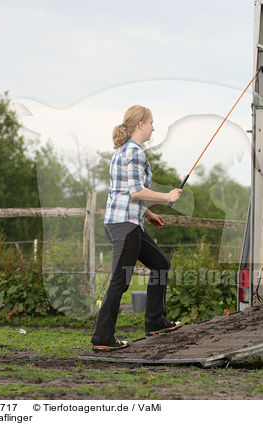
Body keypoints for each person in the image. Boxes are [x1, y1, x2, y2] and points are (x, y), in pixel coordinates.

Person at [91, 105, 183, 351]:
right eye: (151, 122)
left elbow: (123, 193)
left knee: (160, 264)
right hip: (125, 226)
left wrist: (149, 214)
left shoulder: (124, 151)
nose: (154, 127)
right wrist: (167, 197)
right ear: (140, 124)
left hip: (129, 222)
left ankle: (155, 321)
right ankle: (102, 337)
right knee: (120, 281)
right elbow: (136, 191)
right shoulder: (134, 152)